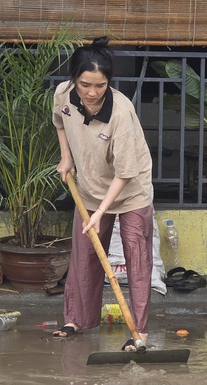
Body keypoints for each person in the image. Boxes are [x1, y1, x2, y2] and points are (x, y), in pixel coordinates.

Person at [51, 36, 154, 351]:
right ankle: (76, 320)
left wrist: (100, 213)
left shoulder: (121, 113)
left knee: (137, 260)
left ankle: (139, 332)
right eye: (85, 84)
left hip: (131, 192)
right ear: (74, 79)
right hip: (90, 188)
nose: (92, 93)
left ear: (109, 83)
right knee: (85, 258)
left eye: (100, 85)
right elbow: (59, 122)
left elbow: (125, 173)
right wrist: (66, 158)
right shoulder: (63, 95)